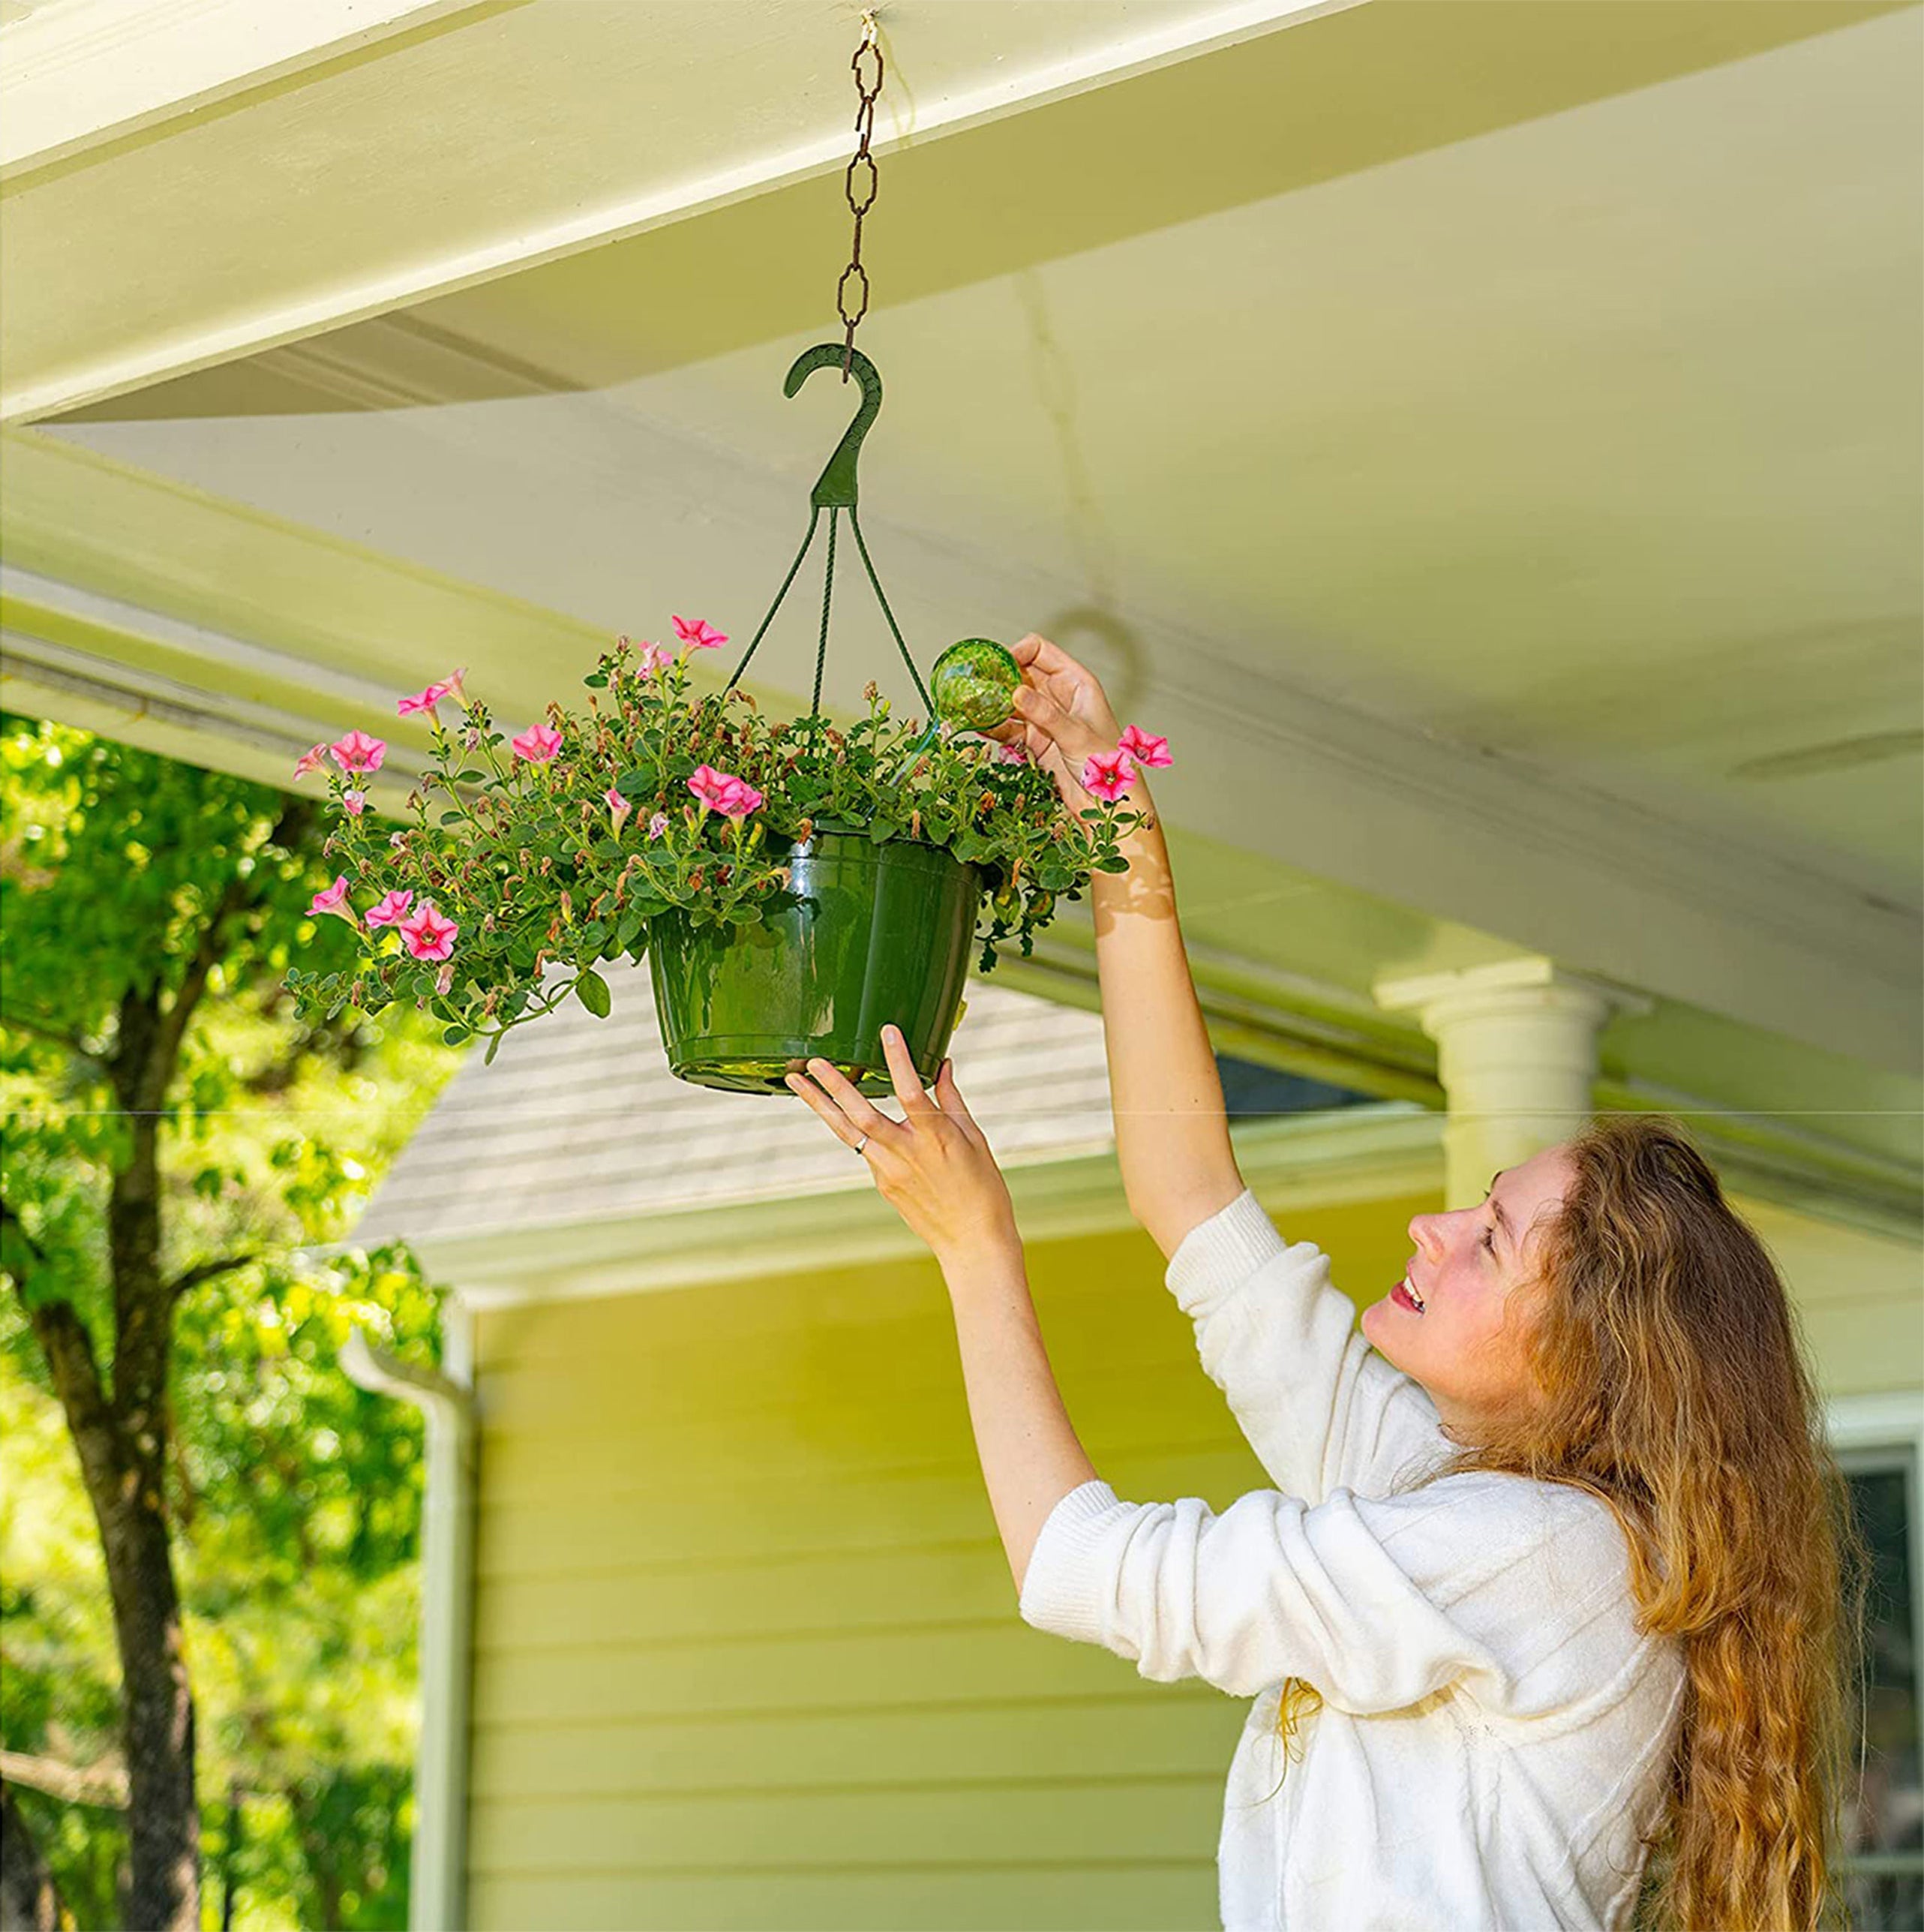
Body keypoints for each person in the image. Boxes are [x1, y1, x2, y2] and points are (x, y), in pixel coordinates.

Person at [785, 633, 1869, 1932]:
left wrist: (975, 1252)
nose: (1430, 1228)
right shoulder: (1443, 1487)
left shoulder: (1541, 1554)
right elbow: (1189, 1199)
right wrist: (1121, 838)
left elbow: (1081, 1568)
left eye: (1489, 1240)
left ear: (1590, 1353)